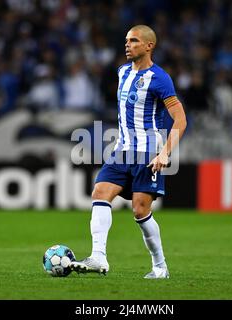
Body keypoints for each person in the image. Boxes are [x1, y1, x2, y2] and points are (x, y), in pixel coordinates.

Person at [70, 25, 187, 279]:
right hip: (122, 150)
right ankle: (98, 257)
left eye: (133, 41)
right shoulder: (122, 72)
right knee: (100, 192)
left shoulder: (160, 78)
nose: (127, 45)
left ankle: (160, 266)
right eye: (126, 41)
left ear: (148, 46)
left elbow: (180, 119)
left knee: (140, 210)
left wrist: (165, 152)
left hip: (148, 152)